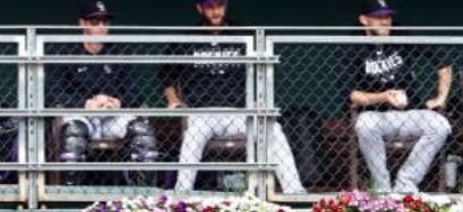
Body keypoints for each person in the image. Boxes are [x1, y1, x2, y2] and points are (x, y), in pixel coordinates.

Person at [164, 0, 307, 195]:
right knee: (192, 136)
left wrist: (260, 97)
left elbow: (262, 71)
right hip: (202, 113)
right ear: (200, 8)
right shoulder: (188, 38)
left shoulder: (243, 34)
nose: (216, 12)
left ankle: (295, 192)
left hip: (240, 111)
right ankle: (181, 194)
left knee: (272, 128)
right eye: (210, 7)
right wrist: (173, 100)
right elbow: (166, 75)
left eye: (220, 6)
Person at [48, 1, 162, 180]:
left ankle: (144, 197)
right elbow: (53, 93)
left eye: (104, 23)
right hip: (80, 115)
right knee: (73, 135)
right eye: (95, 23)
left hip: (113, 116)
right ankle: (69, 195)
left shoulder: (121, 52)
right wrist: (85, 103)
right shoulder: (65, 52)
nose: (101, 28)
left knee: (142, 131)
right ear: (82, 24)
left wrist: (117, 102)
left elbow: (136, 92)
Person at [348, 0, 453, 194]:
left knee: (440, 125)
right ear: (364, 20)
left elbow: (443, 61)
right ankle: (382, 188)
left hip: (411, 112)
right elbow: (353, 95)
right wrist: (384, 96)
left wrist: (441, 97)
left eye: (387, 17)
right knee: (364, 125)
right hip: (374, 116)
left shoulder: (401, 34)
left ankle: (406, 183)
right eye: (378, 18)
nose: (385, 22)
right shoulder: (351, 45)